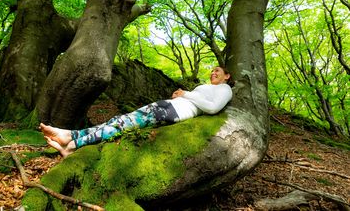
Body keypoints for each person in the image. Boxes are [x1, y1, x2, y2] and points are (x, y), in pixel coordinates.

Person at [40, 66, 233, 158]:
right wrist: (180, 95)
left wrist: (186, 94)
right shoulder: (204, 87)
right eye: (212, 71)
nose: (213, 73)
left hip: (172, 113)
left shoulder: (225, 89)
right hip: (168, 106)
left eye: (217, 71)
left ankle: (73, 146)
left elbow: (212, 107)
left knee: (121, 125)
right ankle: (69, 135)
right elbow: (195, 99)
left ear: (227, 76)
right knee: (119, 119)